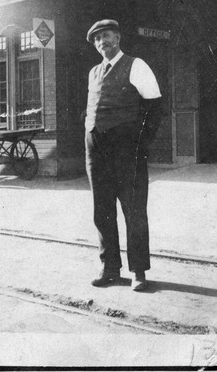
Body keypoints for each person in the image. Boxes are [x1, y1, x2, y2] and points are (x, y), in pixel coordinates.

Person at [84, 19, 162, 291]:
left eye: (105, 36)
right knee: (102, 211)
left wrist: (141, 145)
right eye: (96, 39)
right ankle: (110, 269)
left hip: (127, 151)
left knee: (134, 210)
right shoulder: (94, 72)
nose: (101, 42)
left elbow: (154, 109)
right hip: (96, 151)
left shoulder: (136, 65)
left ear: (117, 38)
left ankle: (139, 271)